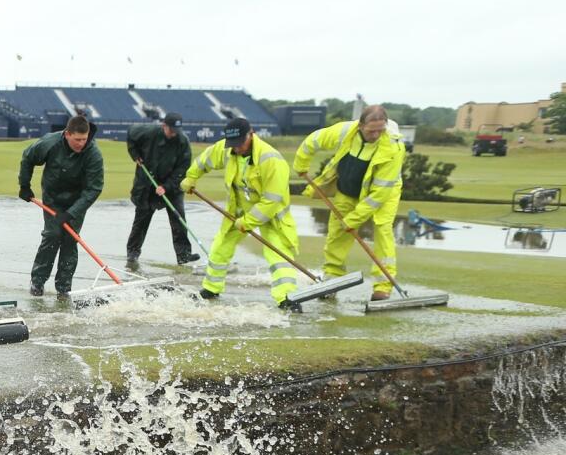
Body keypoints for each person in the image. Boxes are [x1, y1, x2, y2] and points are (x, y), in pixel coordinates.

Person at [182, 116, 301, 310]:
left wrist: (250, 221)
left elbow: (272, 199)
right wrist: (191, 176)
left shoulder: (272, 160)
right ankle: (211, 288)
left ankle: (287, 297)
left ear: (251, 134)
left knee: (278, 254)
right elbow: (206, 159)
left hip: (271, 215)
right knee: (220, 247)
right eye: (233, 145)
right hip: (238, 210)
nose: (237, 149)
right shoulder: (228, 148)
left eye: (240, 144)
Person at [291, 105, 405, 302]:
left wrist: (354, 219)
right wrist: (301, 164)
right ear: (360, 126)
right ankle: (331, 280)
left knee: (382, 231)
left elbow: (378, 194)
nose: (376, 135)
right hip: (347, 187)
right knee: (337, 233)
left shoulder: (393, 147)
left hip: (383, 192)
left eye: (380, 130)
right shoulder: (345, 131)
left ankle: (382, 286)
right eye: (371, 131)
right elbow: (312, 141)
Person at [17, 114, 104, 297]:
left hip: (77, 199)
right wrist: (25, 185)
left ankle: (64, 288)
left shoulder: (93, 154)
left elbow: (93, 189)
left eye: (84, 139)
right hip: (53, 197)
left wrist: (72, 213)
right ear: (67, 134)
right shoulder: (50, 143)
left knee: (70, 241)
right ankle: (37, 282)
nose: (81, 143)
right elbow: (28, 157)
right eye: (77, 139)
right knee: (52, 235)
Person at [125, 112, 199, 269]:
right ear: (164, 125)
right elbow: (131, 134)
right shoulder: (148, 132)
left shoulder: (182, 141)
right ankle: (132, 253)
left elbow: (183, 169)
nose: (173, 133)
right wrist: (135, 154)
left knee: (178, 219)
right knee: (141, 220)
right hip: (147, 182)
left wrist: (167, 186)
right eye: (171, 129)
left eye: (176, 130)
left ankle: (184, 255)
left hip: (171, 186)